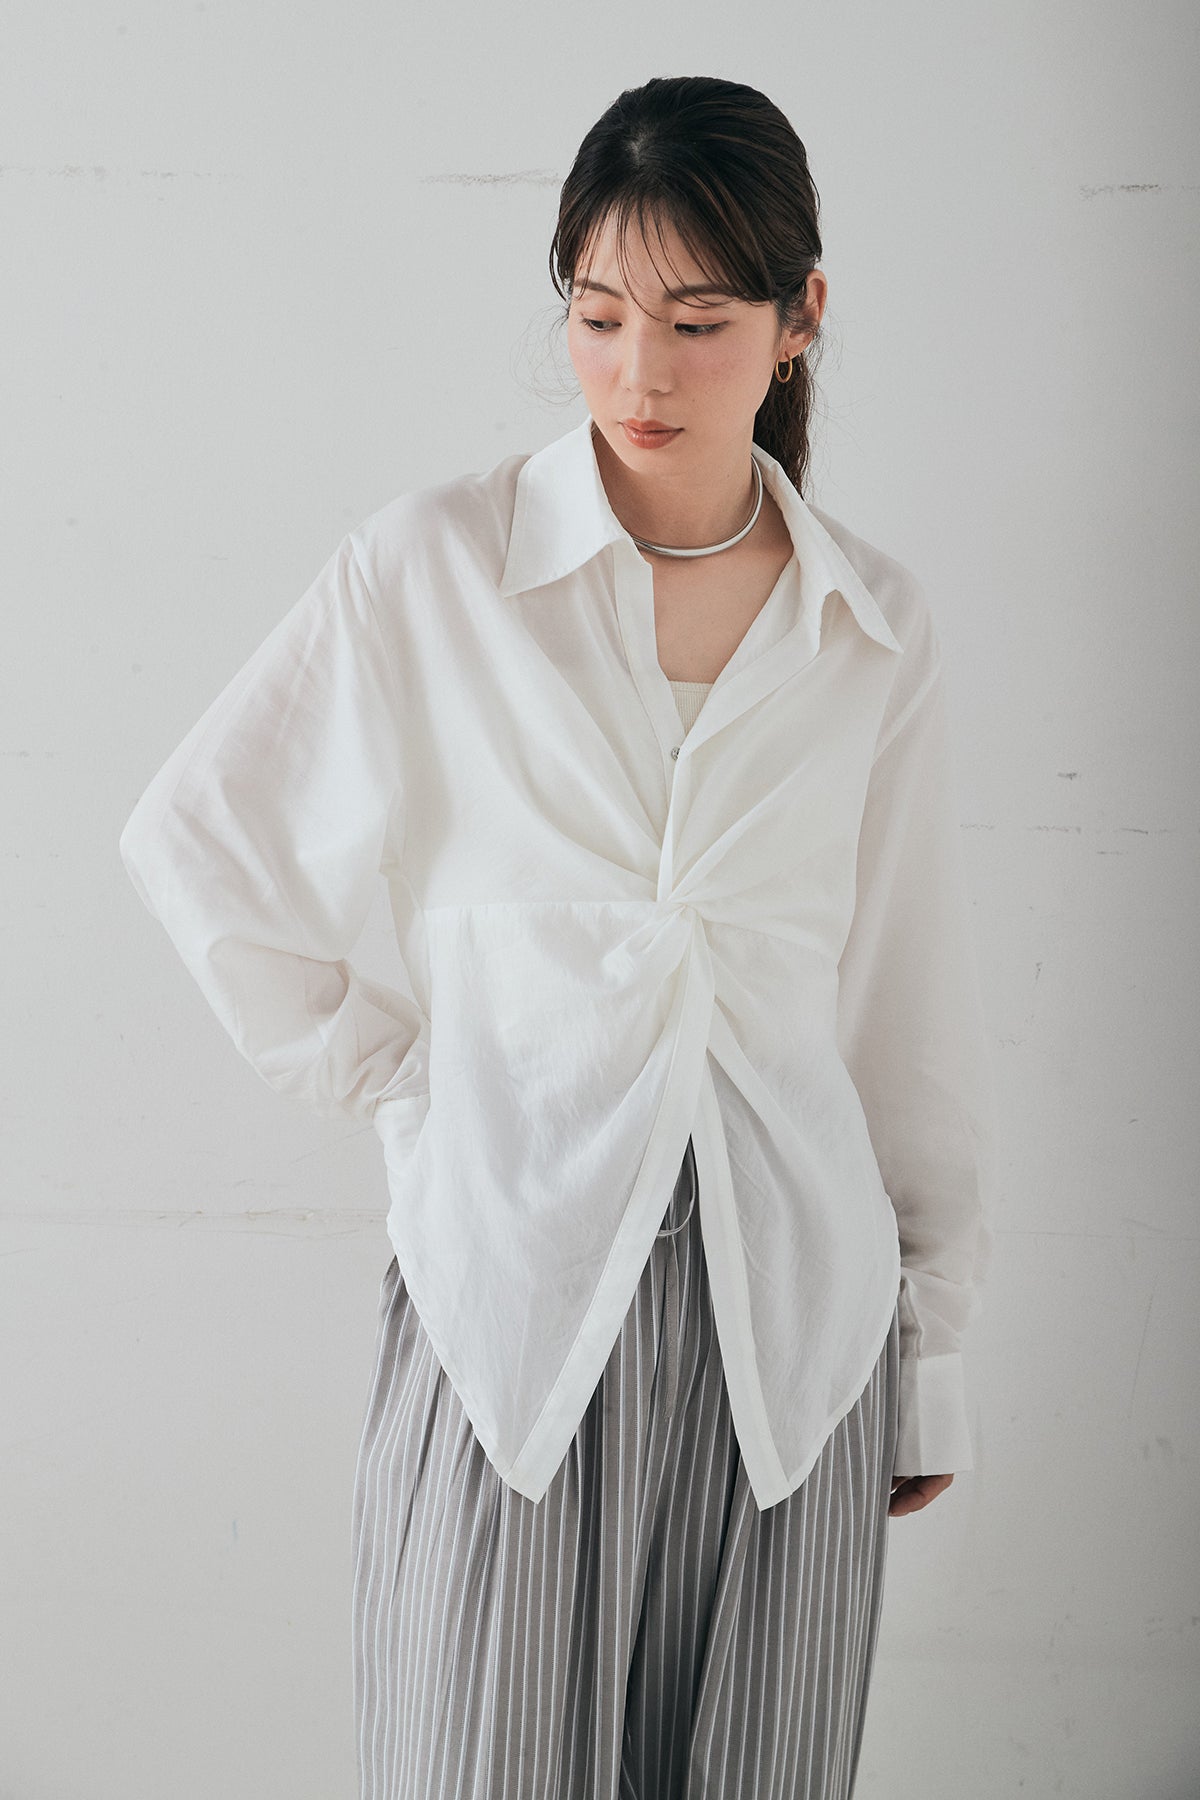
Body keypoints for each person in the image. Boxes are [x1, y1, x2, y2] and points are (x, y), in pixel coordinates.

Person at [118, 74, 995, 1800]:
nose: (639, 372)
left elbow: (906, 1012)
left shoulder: (874, 627)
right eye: (598, 316)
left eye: (698, 322)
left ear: (801, 318)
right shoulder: (434, 568)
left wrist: (931, 1354)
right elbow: (199, 841)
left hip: (792, 1343)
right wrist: (407, 1084)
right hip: (511, 1314)